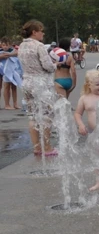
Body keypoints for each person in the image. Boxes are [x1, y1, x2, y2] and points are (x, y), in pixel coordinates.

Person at [18, 20, 58, 156]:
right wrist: (55, 65)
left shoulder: (21, 46)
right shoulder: (39, 46)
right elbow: (47, 66)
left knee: (32, 116)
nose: (43, 33)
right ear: (34, 32)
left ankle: (36, 147)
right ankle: (47, 147)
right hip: (40, 83)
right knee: (47, 115)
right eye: (41, 31)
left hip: (26, 82)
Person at [0, 39, 21, 109]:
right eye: (3, 45)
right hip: (4, 72)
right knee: (6, 87)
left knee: (14, 87)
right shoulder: (0, 51)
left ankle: (15, 104)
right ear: (1, 45)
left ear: (10, 45)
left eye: (7, 45)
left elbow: (18, 53)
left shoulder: (12, 50)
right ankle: (7, 104)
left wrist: (10, 54)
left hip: (13, 71)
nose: (5, 47)